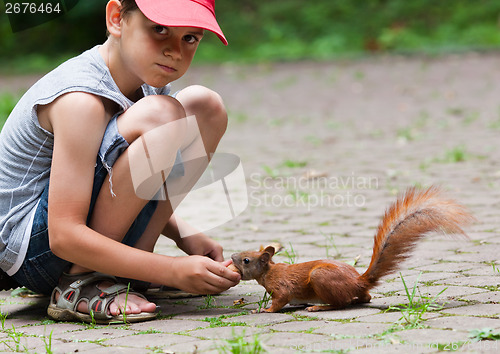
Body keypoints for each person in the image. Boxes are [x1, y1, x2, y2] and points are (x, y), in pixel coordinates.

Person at [0, 0, 241, 324]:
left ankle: (129, 272)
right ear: (116, 18)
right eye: (159, 29)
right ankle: (81, 283)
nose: (174, 50)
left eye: (190, 38)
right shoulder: (80, 100)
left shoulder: (146, 78)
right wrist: (172, 271)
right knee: (163, 114)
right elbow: (63, 234)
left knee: (205, 107)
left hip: (80, 232)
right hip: (38, 253)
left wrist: (182, 233)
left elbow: (117, 177)